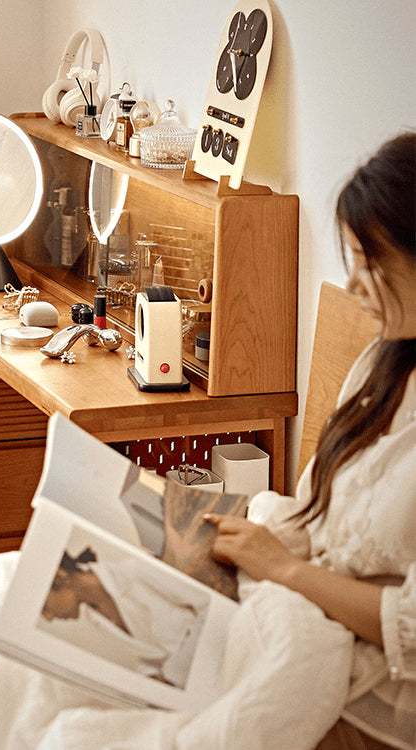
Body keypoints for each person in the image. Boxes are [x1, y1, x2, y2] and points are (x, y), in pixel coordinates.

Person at [205, 131, 416, 750]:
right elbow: (317, 513)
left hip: (371, 699)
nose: (353, 286)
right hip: (306, 625)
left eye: (369, 263)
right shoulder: (383, 363)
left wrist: (284, 568)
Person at [41, 546, 208, 688]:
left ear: (58, 577)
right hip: (195, 685)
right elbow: (150, 654)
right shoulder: (96, 621)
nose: (48, 618)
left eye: (44, 608)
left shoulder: (136, 570)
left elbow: (208, 604)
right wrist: (149, 678)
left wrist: (173, 673)